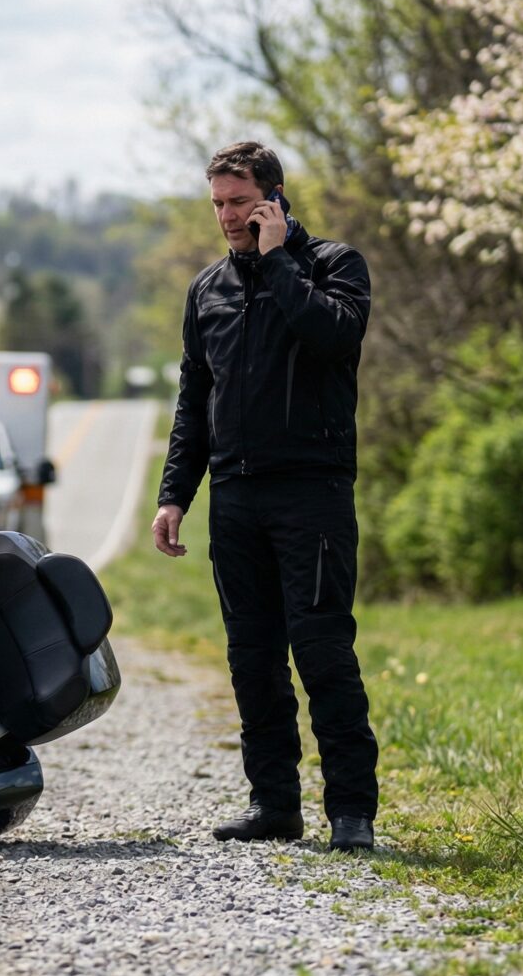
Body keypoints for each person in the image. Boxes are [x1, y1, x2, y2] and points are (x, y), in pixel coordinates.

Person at [151, 141, 379, 851]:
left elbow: (334, 336)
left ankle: (352, 813)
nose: (226, 216)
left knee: (322, 654)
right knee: (252, 659)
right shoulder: (207, 291)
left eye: (239, 202)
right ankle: (275, 806)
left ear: (274, 199)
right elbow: (195, 400)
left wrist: (278, 258)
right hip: (238, 500)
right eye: (217, 203)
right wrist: (174, 496)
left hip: (312, 496)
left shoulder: (333, 266)